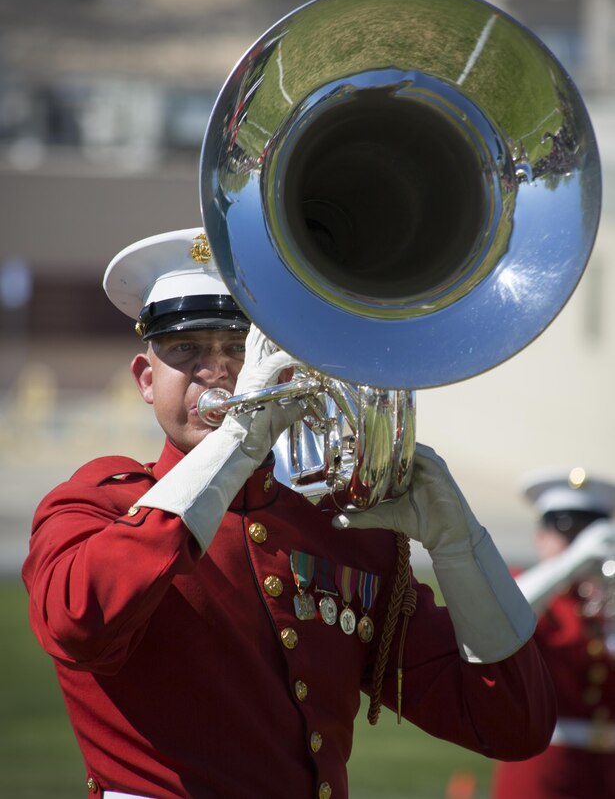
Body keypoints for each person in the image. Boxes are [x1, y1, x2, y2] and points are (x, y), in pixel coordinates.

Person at [23, 227, 556, 799]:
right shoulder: (98, 504)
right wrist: (239, 442)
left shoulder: (343, 532)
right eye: (186, 350)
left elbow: (513, 723)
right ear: (146, 380)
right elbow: (78, 625)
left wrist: (460, 546)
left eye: (239, 348)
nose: (217, 371)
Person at [491, 468, 615, 799]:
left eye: (590, 534)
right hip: (543, 767)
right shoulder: (531, 588)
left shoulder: (605, 595)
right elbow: (503, 612)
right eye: (568, 533)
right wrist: (574, 561)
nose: (582, 545)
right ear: (541, 538)